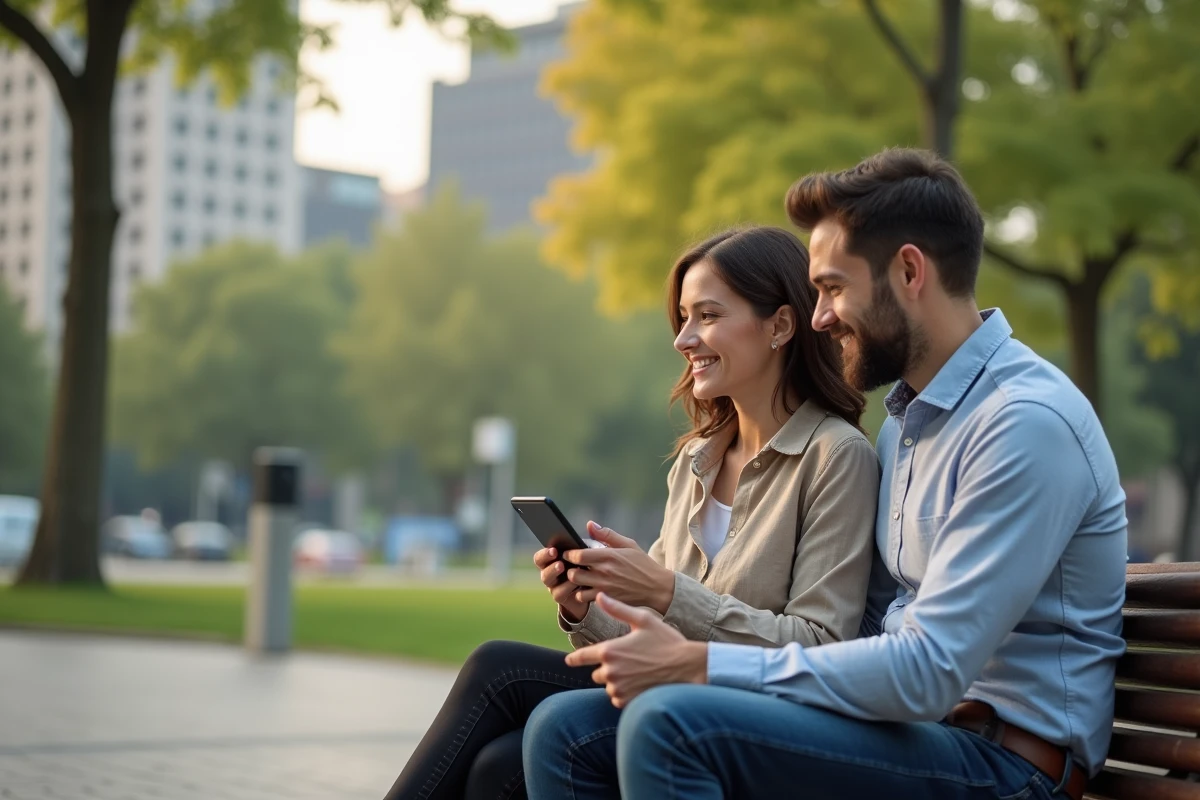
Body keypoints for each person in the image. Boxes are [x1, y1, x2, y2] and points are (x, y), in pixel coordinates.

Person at [522, 149, 1128, 800]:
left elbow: (927, 670)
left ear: (908, 272)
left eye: (834, 288)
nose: (819, 317)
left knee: (672, 725)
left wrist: (706, 665)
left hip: (1005, 770)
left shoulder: (1023, 425)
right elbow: (866, 635)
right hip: (904, 734)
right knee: (566, 729)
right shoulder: (907, 424)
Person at [383, 226, 882, 800]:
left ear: (781, 325)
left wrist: (667, 589)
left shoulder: (835, 456)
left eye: (708, 316)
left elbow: (820, 648)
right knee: (497, 758)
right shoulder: (697, 460)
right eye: (683, 319)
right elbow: (659, 633)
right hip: (677, 684)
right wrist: (589, 605)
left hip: (753, 707)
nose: (684, 339)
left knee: (506, 678)